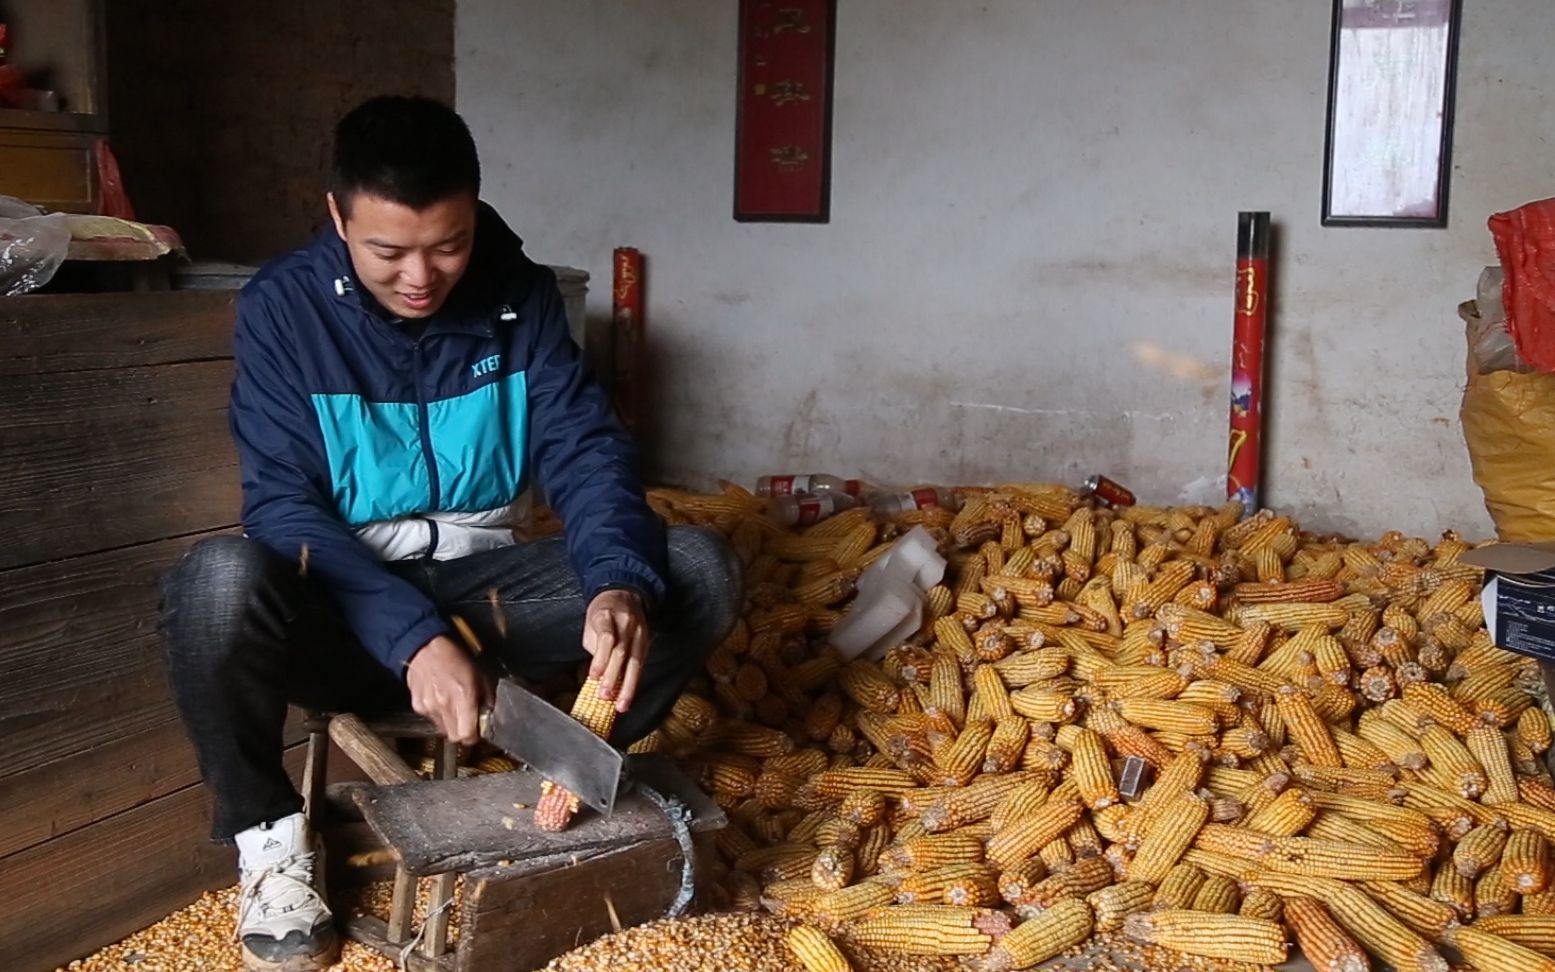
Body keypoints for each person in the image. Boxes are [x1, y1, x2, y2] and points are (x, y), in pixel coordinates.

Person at [160, 95, 742, 972]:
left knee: (695, 565)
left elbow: (584, 450)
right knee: (215, 583)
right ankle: (270, 843)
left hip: (492, 597)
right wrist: (412, 638)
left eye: (450, 244)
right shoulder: (284, 309)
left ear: (475, 210)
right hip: (345, 612)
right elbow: (284, 509)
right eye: (387, 252)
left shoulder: (521, 296)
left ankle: (571, 774)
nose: (421, 277)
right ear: (337, 216)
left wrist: (617, 580)